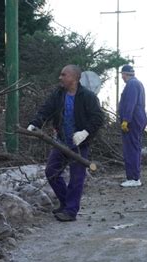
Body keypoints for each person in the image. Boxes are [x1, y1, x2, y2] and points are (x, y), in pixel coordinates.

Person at [27, 65, 104, 222]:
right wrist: (35, 123)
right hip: (61, 141)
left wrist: (85, 132)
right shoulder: (58, 94)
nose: (60, 77)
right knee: (51, 171)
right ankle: (66, 203)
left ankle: (70, 211)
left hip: (79, 144)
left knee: (77, 178)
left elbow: (98, 118)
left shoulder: (87, 96)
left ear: (74, 78)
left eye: (64, 75)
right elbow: (45, 110)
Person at [119, 65, 147, 187]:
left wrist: (126, 120)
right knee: (134, 148)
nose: (122, 78)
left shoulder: (131, 84)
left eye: (122, 75)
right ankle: (134, 177)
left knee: (131, 149)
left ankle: (133, 178)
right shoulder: (137, 83)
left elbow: (130, 103)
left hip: (132, 121)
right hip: (137, 119)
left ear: (125, 74)